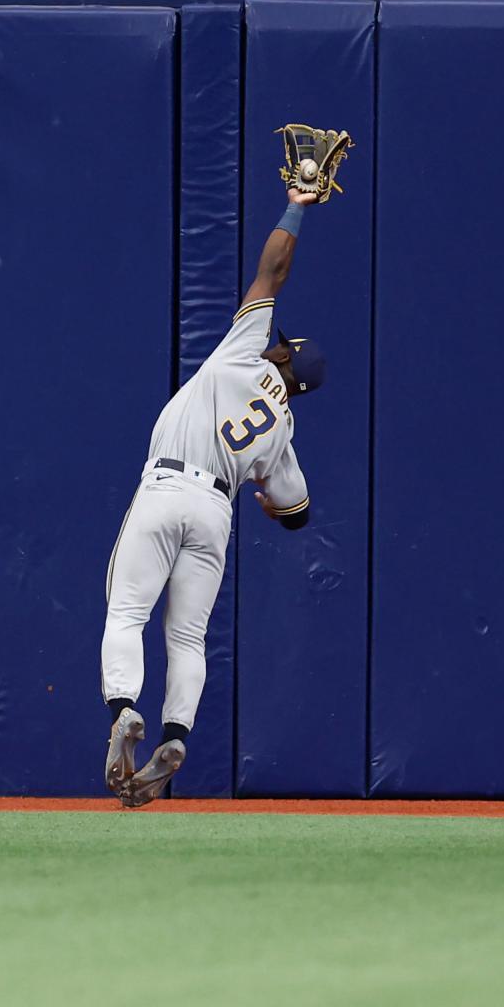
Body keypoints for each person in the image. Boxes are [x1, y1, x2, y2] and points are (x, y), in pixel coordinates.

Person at [101, 187, 324, 806]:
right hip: (216, 512)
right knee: (188, 639)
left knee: (126, 615)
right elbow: (298, 513)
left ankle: (124, 709)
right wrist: (272, 507)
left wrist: (298, 205)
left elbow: (272, 268)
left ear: (282, 356)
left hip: (169, 483)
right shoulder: (284, 434)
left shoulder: (243, 353)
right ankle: (175, 734)